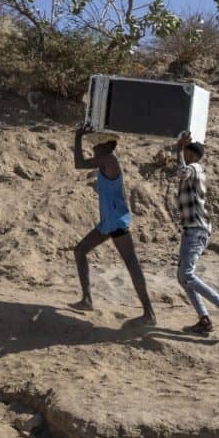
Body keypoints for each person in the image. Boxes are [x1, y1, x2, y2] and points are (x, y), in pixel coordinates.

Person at [70, 126, 156, 325]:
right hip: (108, 222)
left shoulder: (109, 159)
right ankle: (87, 300)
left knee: (132, 264)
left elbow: (79, 163)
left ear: (104, 146)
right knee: (80, 251)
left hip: (116, 221)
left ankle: (149, 313)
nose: (93, 150)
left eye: (96, 146)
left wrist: (78, 137)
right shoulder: (107, 160)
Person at [174, 133, 219, 337]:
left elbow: (182, 172)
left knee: (186, 275)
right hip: (192, 230)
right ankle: (204, 320)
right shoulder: (196, 170)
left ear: (191, 153)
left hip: (196, 230)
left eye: (185, 151)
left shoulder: (194, 168)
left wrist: (178, 149)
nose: (183, 154)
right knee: (182, 277)